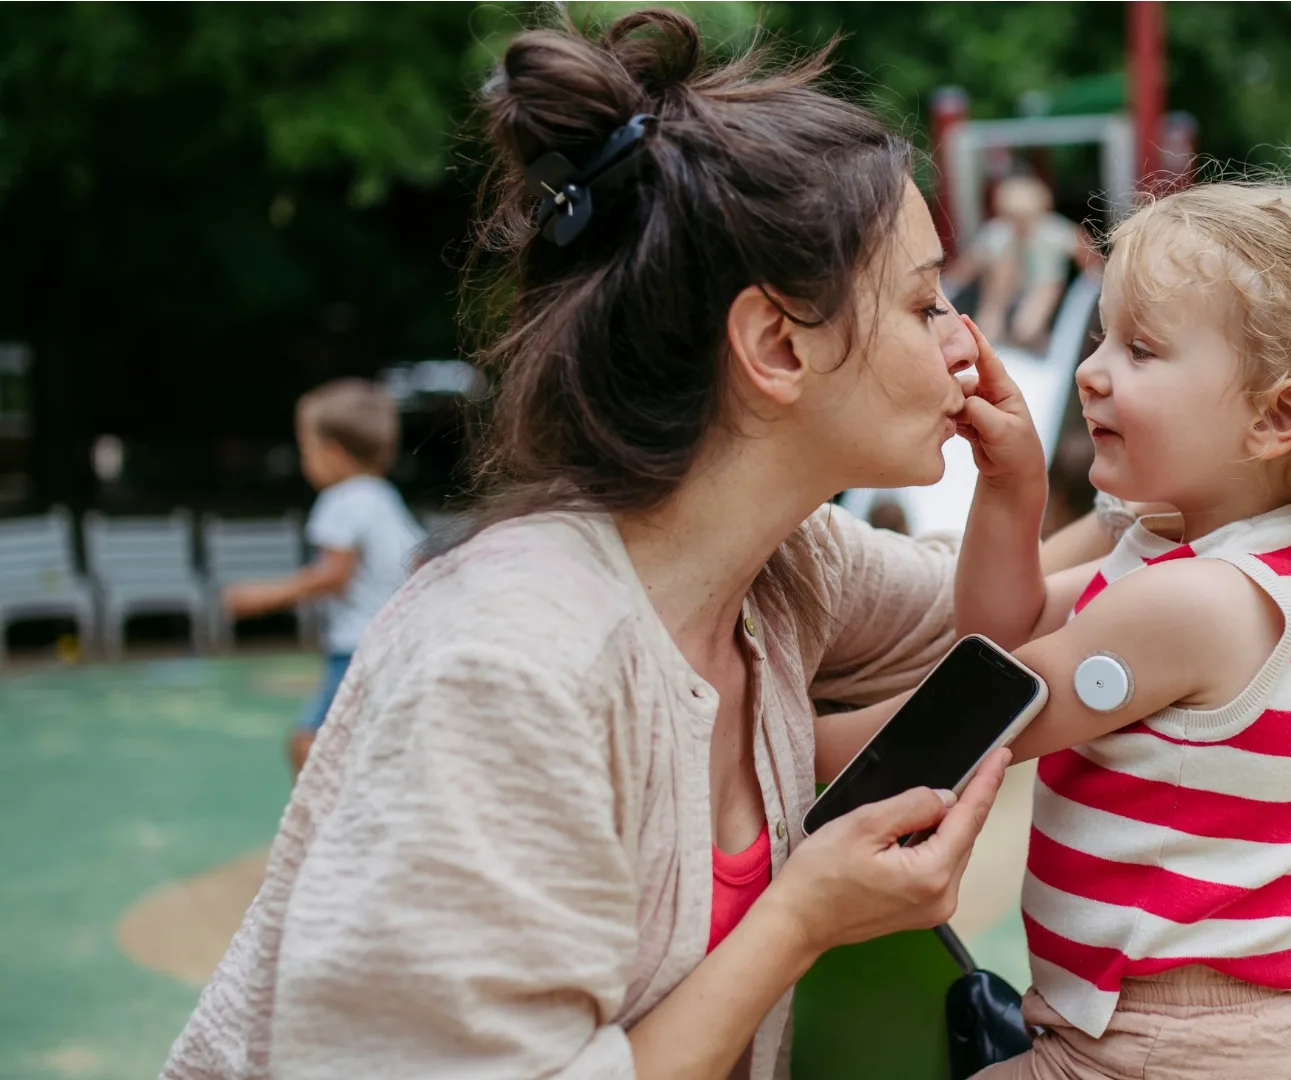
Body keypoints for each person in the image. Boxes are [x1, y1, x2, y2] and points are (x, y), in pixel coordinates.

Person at [160, 11, 1067, 1079]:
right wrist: (801, 918)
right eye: (924, 303)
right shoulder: (507, 671)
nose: (965, 340)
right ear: (777, 346)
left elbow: (1025, 610)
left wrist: (1170, 487)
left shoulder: (782, 568)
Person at [953, 180, 1291, 1078]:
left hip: (1168, 1044)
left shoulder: (1201, 601)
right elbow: (1005, 636)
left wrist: (772, 745)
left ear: (1276, 417)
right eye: (1103, 336)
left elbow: (964, 725)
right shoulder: (1230, 542)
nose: (1092, 370)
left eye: (1141, 349)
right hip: (1225, 1021)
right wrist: (1009, 491)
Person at [221, 378, 425, 775]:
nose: (305, 461)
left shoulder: (341, 500)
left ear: (332, 452)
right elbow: (417, 562)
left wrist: (263, 596)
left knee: (308, 741)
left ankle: (322, 814)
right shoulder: (385, 498)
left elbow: (333, 574)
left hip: (355, 647)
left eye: (306, 449)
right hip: (396, 641)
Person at [945, 175, 1084, 351]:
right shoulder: (997, 234)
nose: (1019, 224)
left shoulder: (1055, 231)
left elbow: (1089, 259)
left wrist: (1087, 290)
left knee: (1026, 326)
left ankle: (1033, 340)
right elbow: (966, 269)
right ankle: (995, 325)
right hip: (1003, 289)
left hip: (1044, 285)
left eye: (1025, 217)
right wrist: (945, 287)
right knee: (1002, 267)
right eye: (1013, 217)